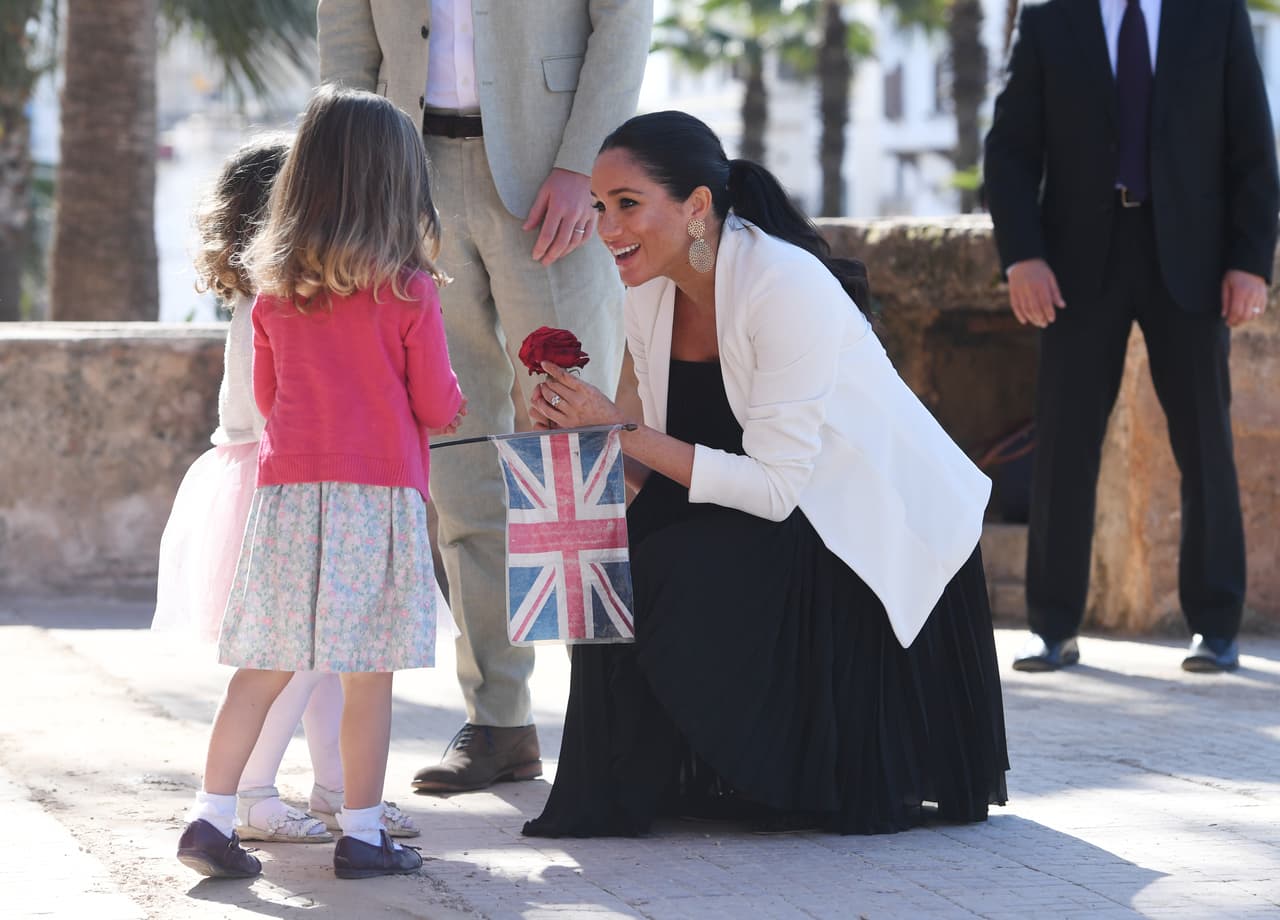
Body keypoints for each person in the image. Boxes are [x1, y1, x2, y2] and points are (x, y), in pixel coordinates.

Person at [519, 111, 1009, 837]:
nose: (606, 227)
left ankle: (756, 768)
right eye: (599, 206)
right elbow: (643, 461)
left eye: (626, 204)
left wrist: (615, 427)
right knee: (610, 556)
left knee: (669, 562)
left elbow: (777, 489)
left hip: (846, 526)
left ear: (696, 206)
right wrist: (578, 435)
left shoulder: (782, 284)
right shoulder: (647, 291)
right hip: (744, 504)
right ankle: (623, 786)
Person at [316, 0, 652, 795]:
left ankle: (608, 722)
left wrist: (585, 165)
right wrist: (356, 180)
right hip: (409, 182)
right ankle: (499, 721)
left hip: (554, 184)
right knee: (459, 459)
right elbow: (345, 37)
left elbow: (625, 18)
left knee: (573, 464)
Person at [174, 86, 465, 880]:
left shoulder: (272, 295)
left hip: (289, 500)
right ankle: (363, 835)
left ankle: (211, 817)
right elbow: (436, 401)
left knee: (259, 669)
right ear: (398, 187)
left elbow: (270, 403)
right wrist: (451, 406)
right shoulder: (408, 291)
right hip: (377, 501)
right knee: (368, 678)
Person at [983, 0, 1278, 673]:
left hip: (1193, 261)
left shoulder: (1216, 15)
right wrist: (1022, 255)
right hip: (1077, 264)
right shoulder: (1049, 18)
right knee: (1064, 446)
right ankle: (1052, 627)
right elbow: (1010, 150)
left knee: (1205, 442)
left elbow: (1253, 147)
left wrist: (1249, 261)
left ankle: (1216, 627)